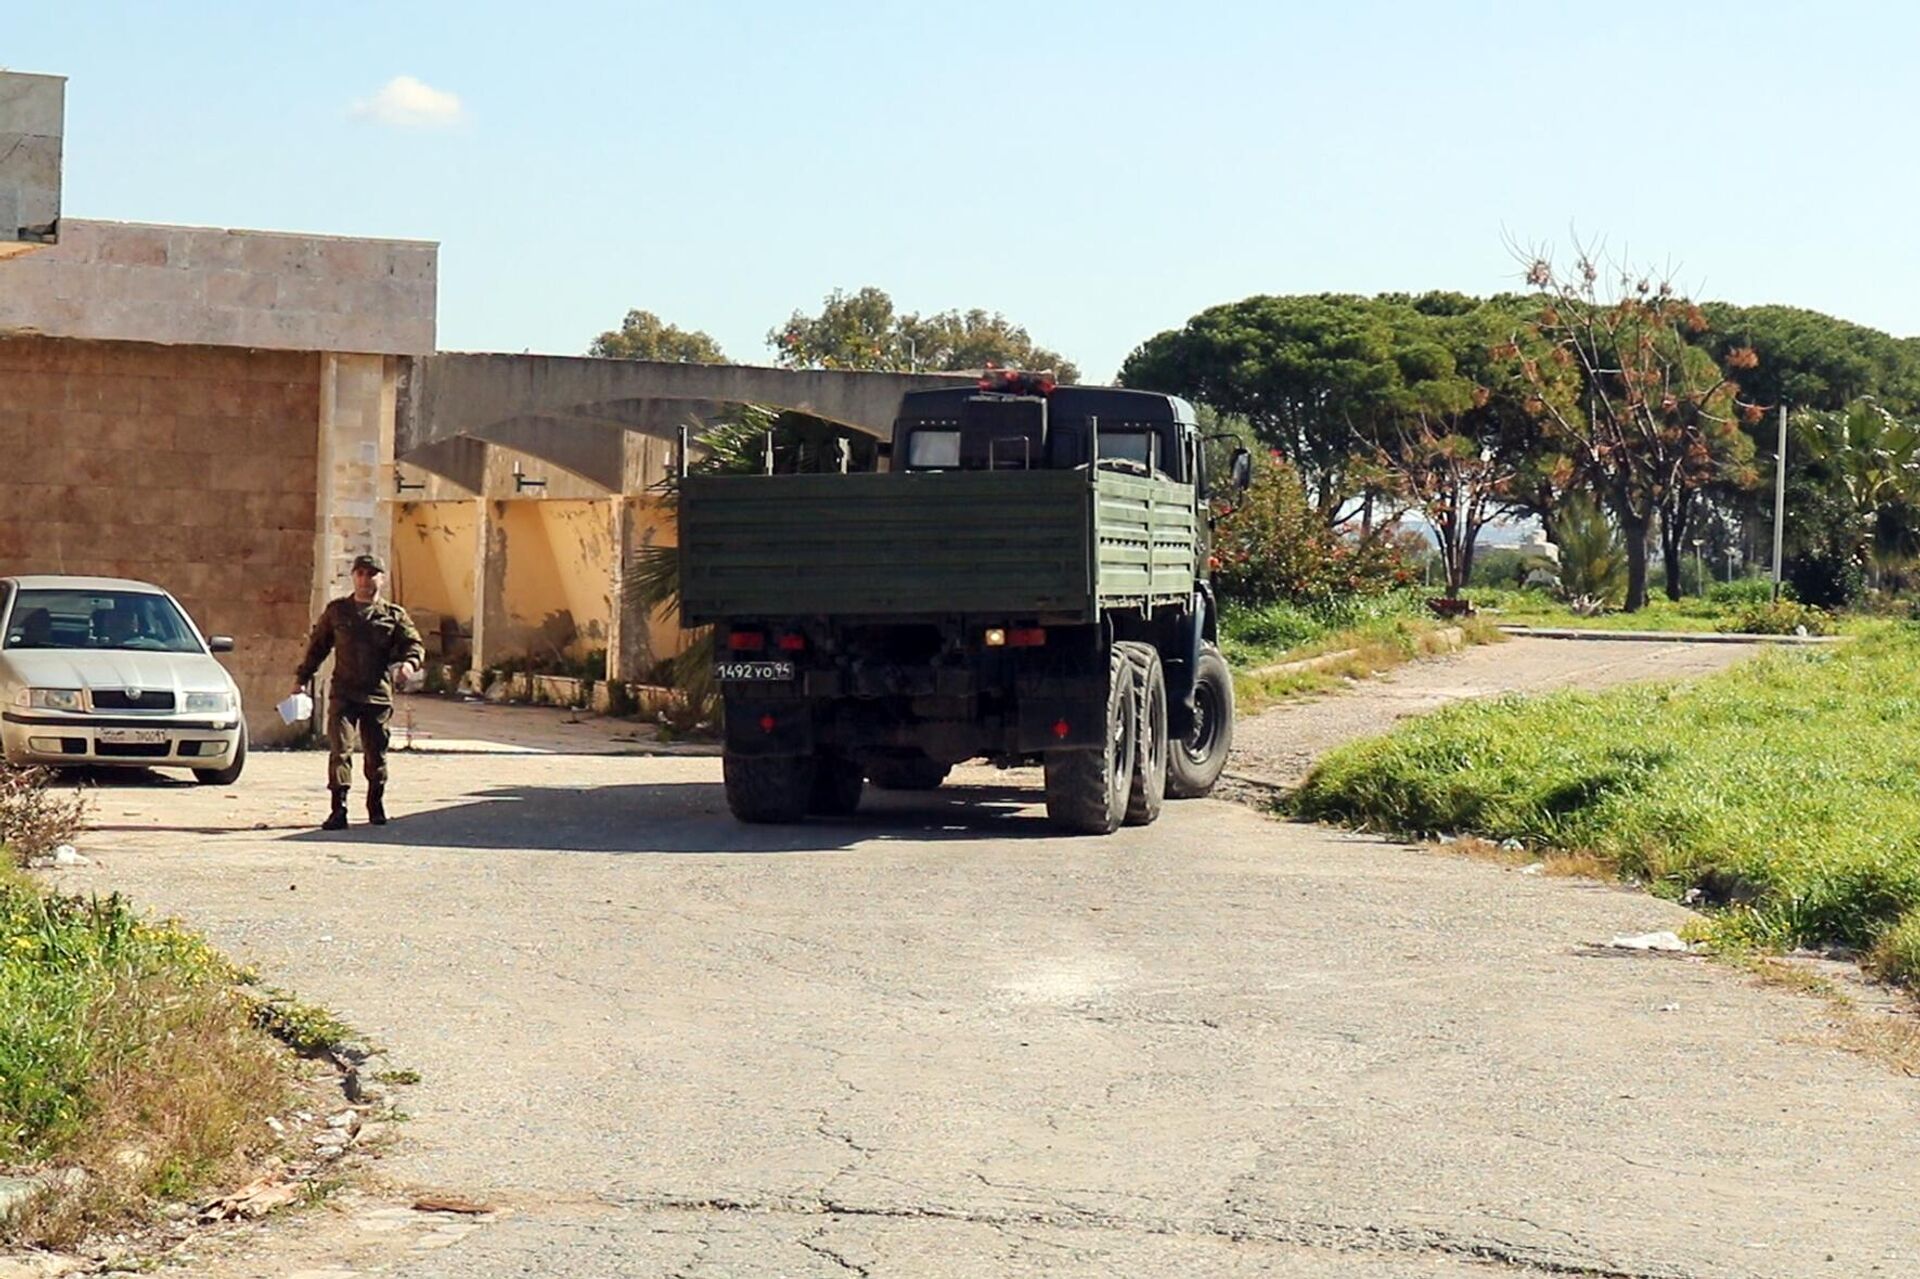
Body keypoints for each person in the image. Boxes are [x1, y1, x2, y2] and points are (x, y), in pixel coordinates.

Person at [293, 553, 425, 831]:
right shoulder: (337, 611)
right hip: (344, 693)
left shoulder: (393, 616)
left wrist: (409, 665)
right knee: (340, 750)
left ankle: (375, 804)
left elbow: (414, 645)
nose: (366, 579)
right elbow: (318, 646)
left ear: (382, 578)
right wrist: (302, 678)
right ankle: (338, 809)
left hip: (376, 695)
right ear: (353, 577)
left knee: (376, 753)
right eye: (361, 573)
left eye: (372, 574)